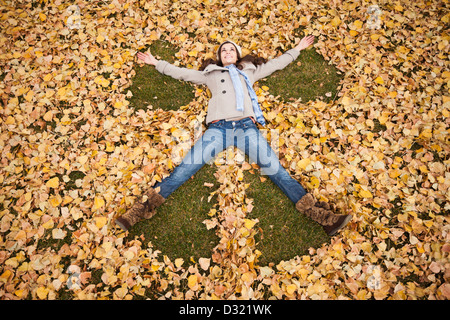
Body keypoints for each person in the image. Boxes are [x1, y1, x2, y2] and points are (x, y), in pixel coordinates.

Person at [114, 35, 351, 236]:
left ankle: (323, 217)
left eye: (231, 49)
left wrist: (297, 49)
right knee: (184, 170)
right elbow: (182, 73)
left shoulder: (249, 72)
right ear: (219, 57)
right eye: (223, 50)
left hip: (248, 128)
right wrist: (157, 62)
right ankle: (138, 211)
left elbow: (276, 64)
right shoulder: (210, 74)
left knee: (277, 171)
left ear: (237, 56)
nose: (227, 52)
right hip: (219, 129)